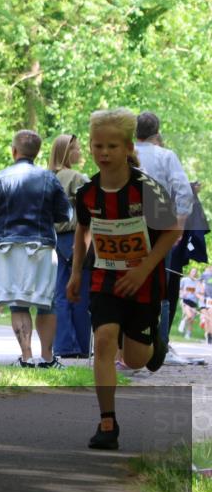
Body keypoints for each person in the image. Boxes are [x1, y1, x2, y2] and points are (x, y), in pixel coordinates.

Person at [67, 108, 178, 450]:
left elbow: (172, 230)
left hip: (143, 281)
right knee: (103, 341)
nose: (103, 153)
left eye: (112, 146)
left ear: (128, 148)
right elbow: (83, 229)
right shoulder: (87, 193)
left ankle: (153, 342)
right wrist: (75, 274)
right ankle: (107, 422)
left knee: (134, 359)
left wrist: (143, 269)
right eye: (97, 146)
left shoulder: (146, 190)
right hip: (104, 278)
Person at [0, 131, 71, 368]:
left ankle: (27, 357)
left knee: (18, 303)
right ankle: (48, 358)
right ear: (37, 153)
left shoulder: (0, 178)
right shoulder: (49, 179)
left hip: (7, 247)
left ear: (14, 151)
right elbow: (64, 214)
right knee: (46, 302)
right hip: (40, 246)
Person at [135, 112, 195, 364]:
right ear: (156, 131)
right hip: (160, 225)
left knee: (127, 281)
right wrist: (179, 225)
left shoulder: (124, 154)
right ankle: (159, 346)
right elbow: (184, 191)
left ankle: (128, 346)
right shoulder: (165, 156)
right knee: (161, 285)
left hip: (128, 224)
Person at [48, 134, 92, 358]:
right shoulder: (75, 177)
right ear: (66, 152)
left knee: (60, 294)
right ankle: (82, 346)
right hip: (73, 238)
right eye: (76, 148)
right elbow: (94, 206)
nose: (80, 152)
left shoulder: (46, 177)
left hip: (53, 241)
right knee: (79, 293)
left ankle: (64, 345)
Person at [178, 268, 201, 339]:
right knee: (189, 316)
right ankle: (182, 322)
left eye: (195, 272)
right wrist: (182, 294)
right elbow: (179, 289)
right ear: (190, 272)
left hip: (193, 302)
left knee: (191, 320)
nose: (194, 273)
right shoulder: (184, 280)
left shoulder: (197, 282)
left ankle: (188, 334)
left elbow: (198, 292)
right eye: (193, 271)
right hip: (185, 300)